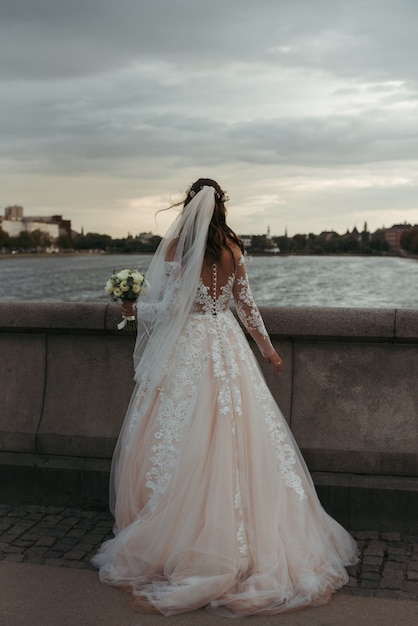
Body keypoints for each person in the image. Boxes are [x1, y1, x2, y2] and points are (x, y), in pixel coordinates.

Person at [92, 178, 358, 617]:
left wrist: (132, 307)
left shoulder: (179, 246)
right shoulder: (234, 248)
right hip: (227, 344)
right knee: (242, 432)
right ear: (222, 207)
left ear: (188, 205)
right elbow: (246, 305)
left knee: (175, 432)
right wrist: (269, 349)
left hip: (189, 348)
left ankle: (180, 534)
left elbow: (175, 308)